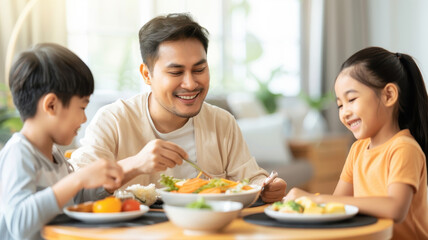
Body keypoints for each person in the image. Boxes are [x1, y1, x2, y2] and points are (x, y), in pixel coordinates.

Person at [69, 13, 287, 203]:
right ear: (147, 74)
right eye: (176, 72)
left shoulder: (222, 122)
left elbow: (250, 180)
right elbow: (74, 188)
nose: (191, 84)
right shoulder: (113, 120)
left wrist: (267, 187)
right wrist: (135, 164)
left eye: (199, 69)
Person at [285, 47, 427, 240]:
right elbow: (338, 203)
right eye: (340, 105)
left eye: (351, 99)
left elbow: (395, 208)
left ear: (389, 95)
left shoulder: (404, 148)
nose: (344, 112)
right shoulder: (357, 150)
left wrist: (315, 198)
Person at [0, 43, 124, 240]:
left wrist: (104, 185)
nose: (84, 119)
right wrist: (78, 178)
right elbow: (19, 223)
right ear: (51, 105)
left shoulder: (54, 153)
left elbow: (74, 200)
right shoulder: (19, 154)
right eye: (82, 107)